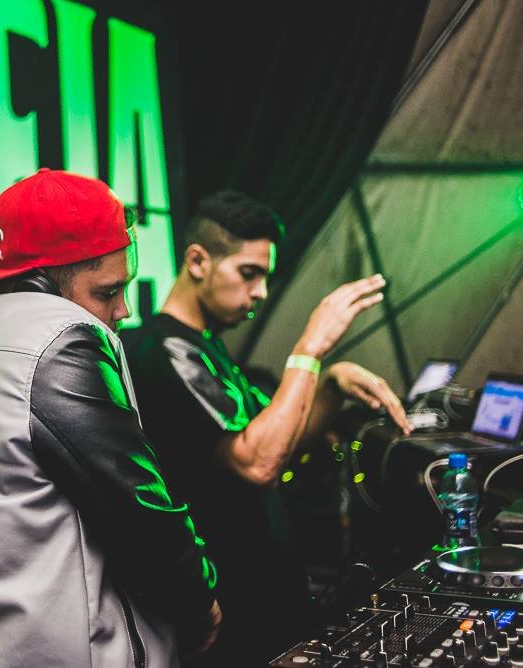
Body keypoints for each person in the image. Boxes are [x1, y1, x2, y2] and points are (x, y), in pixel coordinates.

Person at [0, 168, 220, 667]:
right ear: (40, 284)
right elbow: (140, 512)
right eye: (107, 292)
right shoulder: (60, 339)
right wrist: (200, 600)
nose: (123, 310)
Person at [123, 189, 412, 665]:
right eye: (248, 273)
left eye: (265, 277)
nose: (260, 292)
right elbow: (258, 463)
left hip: (266, 600)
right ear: (197, 261)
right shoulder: (164, 351)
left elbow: (280, 443)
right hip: (232, 613)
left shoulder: (207, 347)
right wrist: (310, 349)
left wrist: (332, 384)